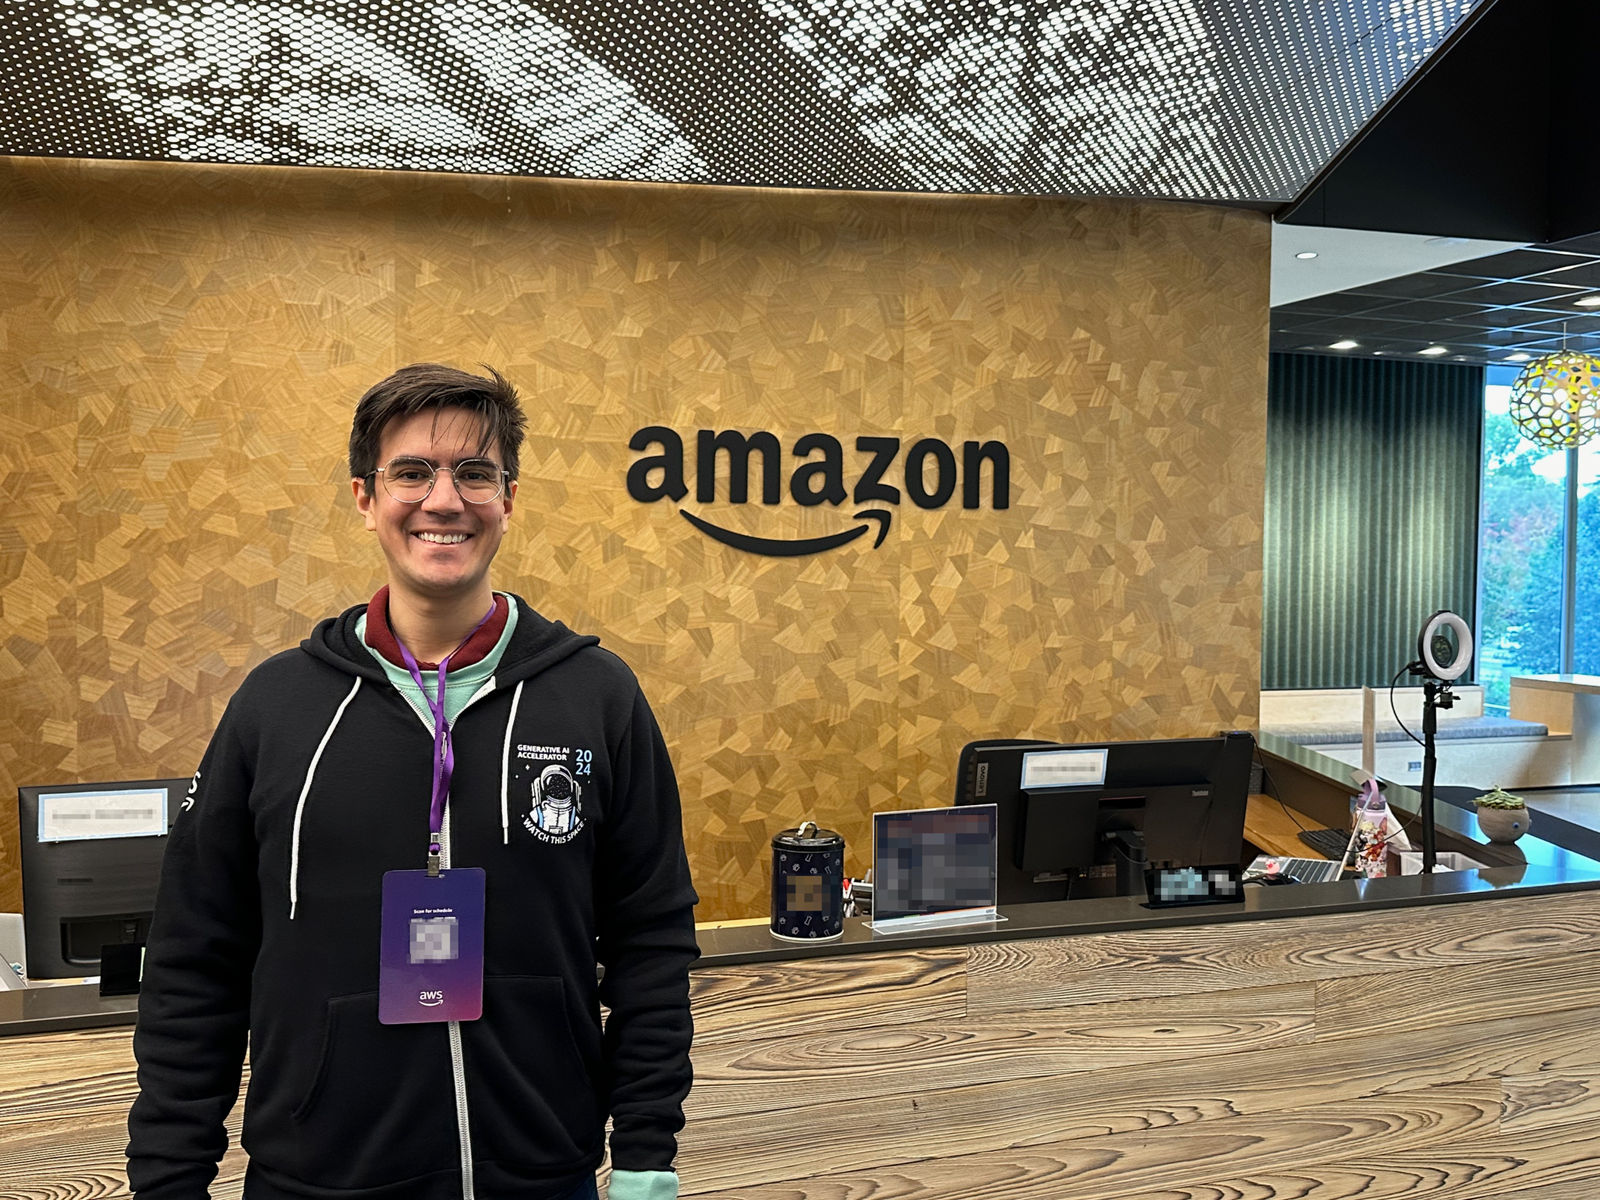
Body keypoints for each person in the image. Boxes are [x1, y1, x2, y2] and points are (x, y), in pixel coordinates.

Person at [126, 364, 698, 1200]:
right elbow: (194, 959)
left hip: (543, 1177)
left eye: (475, 473)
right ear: (366, 497)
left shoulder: (596, 698)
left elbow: (651, 944)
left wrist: (646, 1158)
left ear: (509, 498)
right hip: (318, 1182)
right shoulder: (275, 707)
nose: (445, 499)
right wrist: (169, 1180)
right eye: (412, 472)